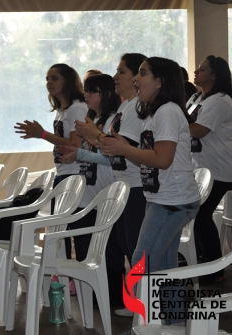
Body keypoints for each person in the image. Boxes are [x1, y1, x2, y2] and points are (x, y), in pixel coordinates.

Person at [100, 57, 200, 326]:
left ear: (159, 82)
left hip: (173, 201)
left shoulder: (167, 111)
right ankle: (173, 325)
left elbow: (162, 159)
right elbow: (148, 156)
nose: (136, 79)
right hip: (163, 198)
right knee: (162, 262)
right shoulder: (155, 113)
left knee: (142, 262)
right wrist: (123, 146)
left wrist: (124, 149)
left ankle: (152, 327)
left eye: (142, 74)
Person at [66, 54, 148, 316]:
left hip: (136, 186)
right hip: (124, 186)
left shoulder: (140, 109)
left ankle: (150, 310)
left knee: (139, 251)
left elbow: (120, 149)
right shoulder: (127, 107)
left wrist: (93, 137)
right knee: (126, 247)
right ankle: (139, 305)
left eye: (121, 72)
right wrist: (86, 147)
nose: (116, 77)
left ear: (138, 78)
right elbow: (113, 149)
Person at [57, 74, 123, 306]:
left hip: (104, 193)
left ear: (105, 94)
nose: (86, 95)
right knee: (85, 248)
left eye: (92, 91)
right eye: (85, 90)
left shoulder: (112, 120)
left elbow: (112, 158)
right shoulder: (94, 120)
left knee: (108, 249)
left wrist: (81, 153)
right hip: (88, 191)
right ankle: (93, 295)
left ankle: (112, 297)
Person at [14, 63, 87, 213]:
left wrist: (43, 134)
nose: (49, 83)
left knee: (67, 227)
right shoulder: (62, 110)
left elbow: (76, 144)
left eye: (55, 78)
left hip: (75, 173)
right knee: (58, 226)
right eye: (47, 79)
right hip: (63, 172)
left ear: (68, 81)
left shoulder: (77, 107)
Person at [187, 55, 232, 285]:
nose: (196, 72)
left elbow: (199, 130)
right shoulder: (196, 98)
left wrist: (171, 123)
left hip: (220, 170)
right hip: (200, 169)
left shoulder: (220, 101)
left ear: (214, 75)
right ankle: (200, 258)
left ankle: (214, 268)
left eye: (202, 69)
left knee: (201, 214)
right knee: (194, 213)